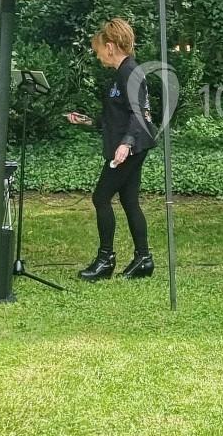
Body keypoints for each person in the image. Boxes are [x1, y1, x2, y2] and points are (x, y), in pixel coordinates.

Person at [66, 18, 158, 280]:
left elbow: (139, 114)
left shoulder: (130, 72)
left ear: (110, 46)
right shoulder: (122, 73)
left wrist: (126, 144)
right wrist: (87, 121)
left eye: (97, 49)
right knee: (129, 200)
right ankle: (143, 259)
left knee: (101, 197)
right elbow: (116, 117)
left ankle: (105, 260)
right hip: (129, 145)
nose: (97, 56)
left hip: (130, 147)